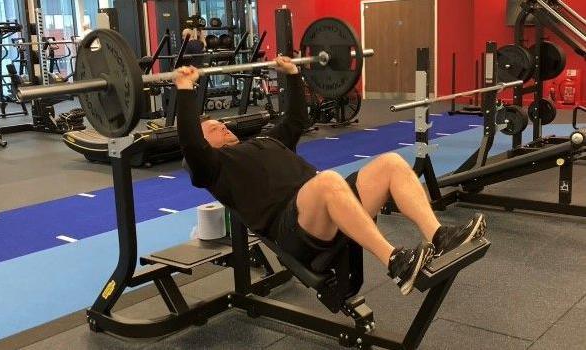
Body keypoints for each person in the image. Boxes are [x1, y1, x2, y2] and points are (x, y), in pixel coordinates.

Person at [173, 57, 487, 295]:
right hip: (294, 228)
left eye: (221, 124)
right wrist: (185, 91)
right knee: (326, 182)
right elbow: (190, 142)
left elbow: (297, 118)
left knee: (390, 163)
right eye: (213, 128)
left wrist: (294, 75)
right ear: (204, 143)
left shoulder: (265, 140)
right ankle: (396, 263)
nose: (222, 126)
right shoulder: (212, 168)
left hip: (327, 204)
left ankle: (437, 235)